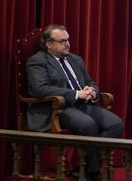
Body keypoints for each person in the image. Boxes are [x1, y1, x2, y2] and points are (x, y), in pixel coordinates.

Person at [27, 24, 124, 180]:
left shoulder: (75, 59)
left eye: (68, 40)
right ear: (49, 43)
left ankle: (86, 167)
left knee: (115, 124)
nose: (68, 44)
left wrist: (92, 91)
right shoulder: (37, 61)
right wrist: (76, 94)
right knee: (88, 124)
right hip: (57, 108)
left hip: (84, 104)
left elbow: (90, 81)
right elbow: (40, 89)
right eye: (62, 41)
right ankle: (91, 173)